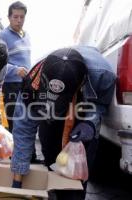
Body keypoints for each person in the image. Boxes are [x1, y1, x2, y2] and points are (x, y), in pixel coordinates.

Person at [11, 47, 116, 200]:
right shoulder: (32, 81)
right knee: (51, 156)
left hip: (80, 111)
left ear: (81, 84)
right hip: (48, 116)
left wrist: (90, 123)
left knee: (77, 174)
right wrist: (16, 183)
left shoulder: (102, 74)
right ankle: (53, 192)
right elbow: (23, 130)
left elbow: (100, 104)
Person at [0, 1, 31, 132]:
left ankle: (26, 151)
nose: (19, 20)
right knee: (12, 121)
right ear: (9, 17)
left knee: (25, 119)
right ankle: (11, 151)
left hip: (26, 84)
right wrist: (15, 70)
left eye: (22, 17)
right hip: (11, 85)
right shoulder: (2, 36)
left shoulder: (27, 35)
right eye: (15, 17)